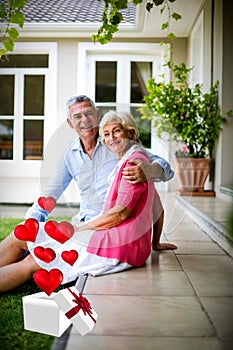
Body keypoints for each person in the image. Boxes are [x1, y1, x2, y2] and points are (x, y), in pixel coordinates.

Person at [0, 96, 176, 292]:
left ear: (97, 115)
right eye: (78, 116)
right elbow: (50, 195)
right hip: (85, 224)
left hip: (104, 230)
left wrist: (149, 171)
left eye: (89, 113)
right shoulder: (72, 154)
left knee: (36, 257)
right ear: (70, 123)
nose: (84, 120)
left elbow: (164, 169)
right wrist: (31, 223)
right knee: (21, 235)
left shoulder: (119, 147)